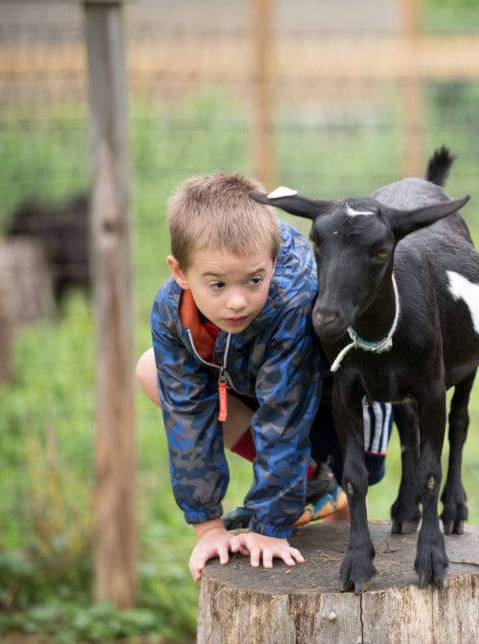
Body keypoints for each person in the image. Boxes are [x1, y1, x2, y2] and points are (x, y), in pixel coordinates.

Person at [135, 172, 393, 582]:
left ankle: (326, 484)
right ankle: (313, 480)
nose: (237, 300)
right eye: (217, 284)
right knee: (152, 370)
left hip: (350, 417)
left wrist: (270, 526)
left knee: (345, 483)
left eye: (254, 280)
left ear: (272, 262)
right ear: (180, 273)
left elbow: (284, 414)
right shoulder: (170, 311)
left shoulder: (294, 298)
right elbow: (187, 413)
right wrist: (209, 528)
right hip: (272, 392)